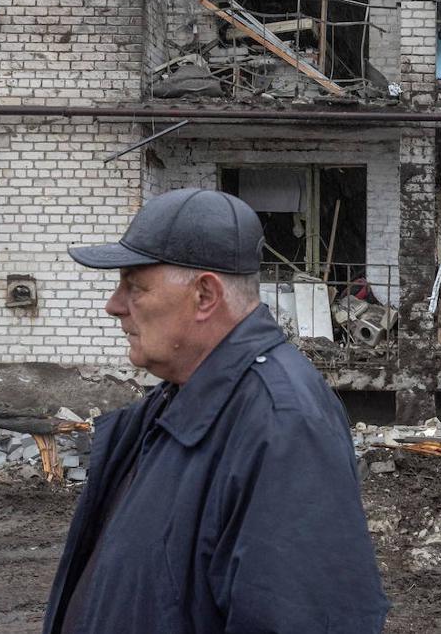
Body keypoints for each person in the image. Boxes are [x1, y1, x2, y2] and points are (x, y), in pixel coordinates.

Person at [44, 188, 388, 634]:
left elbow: (301, 617)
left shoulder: (282, 424)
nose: (114, 306)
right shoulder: (180, 397)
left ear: (205, 295)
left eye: (134, 286)